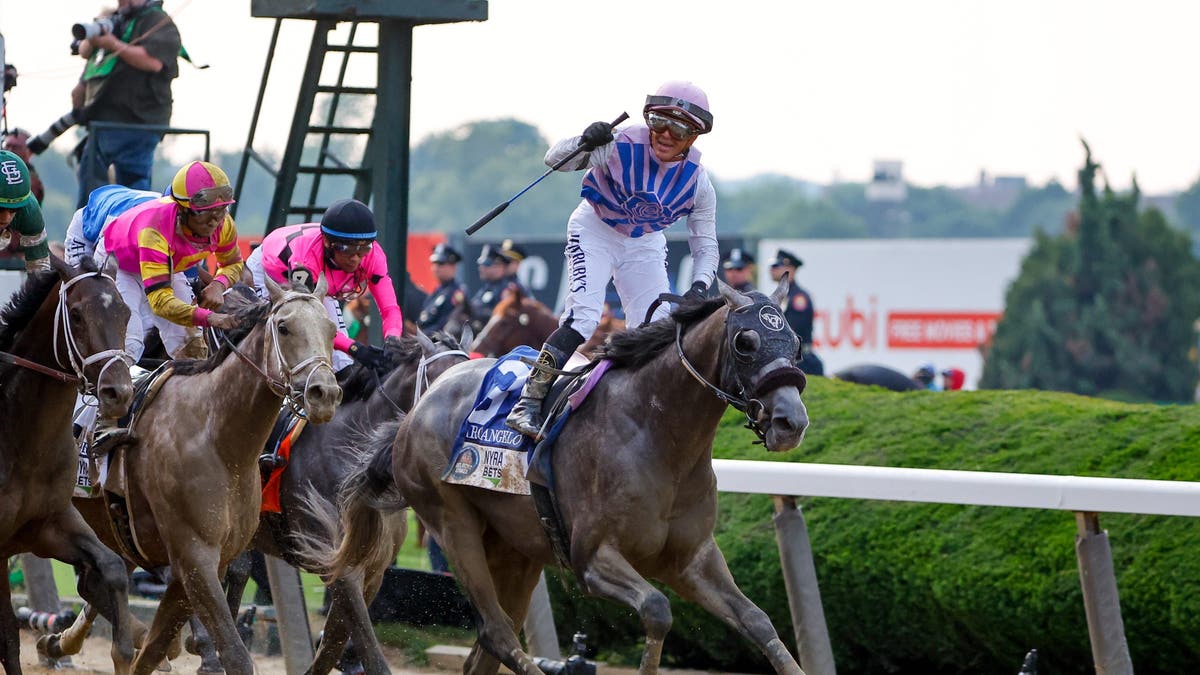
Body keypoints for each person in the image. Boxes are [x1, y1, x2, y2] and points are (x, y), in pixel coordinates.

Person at [507, 80, 719, 439]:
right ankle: (529, 399)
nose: (666, 135)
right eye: (658, 122)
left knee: (656, 328)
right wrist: (584, 140)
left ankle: (649, 409)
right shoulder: (619, 144)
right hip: (595, 228)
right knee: (583, 317)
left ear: (694, 137)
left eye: (680, 128)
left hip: (645, 241)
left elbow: (706, 244)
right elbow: (555, 161)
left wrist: (699, 286)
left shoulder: (699, 183)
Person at [96, 160, 242, 362]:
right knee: (129, 344)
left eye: (221, 209)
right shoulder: (155, 230)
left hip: (164, 264)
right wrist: (210, 318)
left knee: (192, 346)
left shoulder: (224, 225)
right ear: (183, 210)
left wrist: (219, 284)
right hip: (120, 265)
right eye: (205, 212)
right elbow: (161, 304)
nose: (214, 221)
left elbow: (233, 263)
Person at [245, 198, 403, 373]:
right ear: (327, 242)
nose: (356, 258)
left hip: (316, 284)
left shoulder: (374, 255)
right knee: (282, 337)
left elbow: (389, 308)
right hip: (270, 274)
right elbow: (308, 321)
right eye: (346, 249)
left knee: (342, 363)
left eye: (363, 249)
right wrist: (357, 349)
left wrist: (393, 339)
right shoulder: (305, 259)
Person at [69, 0, 181, 208]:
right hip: (108, 121)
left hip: (139, 121)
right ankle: (99, 229)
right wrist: (95, 38)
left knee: (133, 190)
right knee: (101, 186)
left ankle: (120, 228)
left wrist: (113, 44)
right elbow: (84, 51)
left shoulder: (158, 21)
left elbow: (152, 61)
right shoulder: (119, 20)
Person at [64, 183, 160, 265]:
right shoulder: (126, 224)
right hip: (87, 227)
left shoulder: (166, 211)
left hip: (119, 205)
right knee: (88, 282)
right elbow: (101, 257)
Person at [769, 249, 824, 376]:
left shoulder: (798, 298)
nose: (772, 269)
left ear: (791, 269)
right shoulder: (784, 296)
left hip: (801, 360)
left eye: (776, 266)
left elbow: (793, 331)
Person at [0, 150, 51, 272]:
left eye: (14, 209)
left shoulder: (30, 212)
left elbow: (40, 273)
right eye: (0, 209)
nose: (6, 218)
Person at [417, 243, 468, 334]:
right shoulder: (438, 291)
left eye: (441, 264)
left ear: (453, 267)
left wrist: (421, 335)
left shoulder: (456, 293)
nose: (436, 268)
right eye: (434, 263)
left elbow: (446, 325)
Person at [467, 244, 512, 333]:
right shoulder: (486, 288)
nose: (481, 268)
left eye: (486, 264)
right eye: (481, 264)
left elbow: (504, 317)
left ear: (500, 266)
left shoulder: (506, 290)